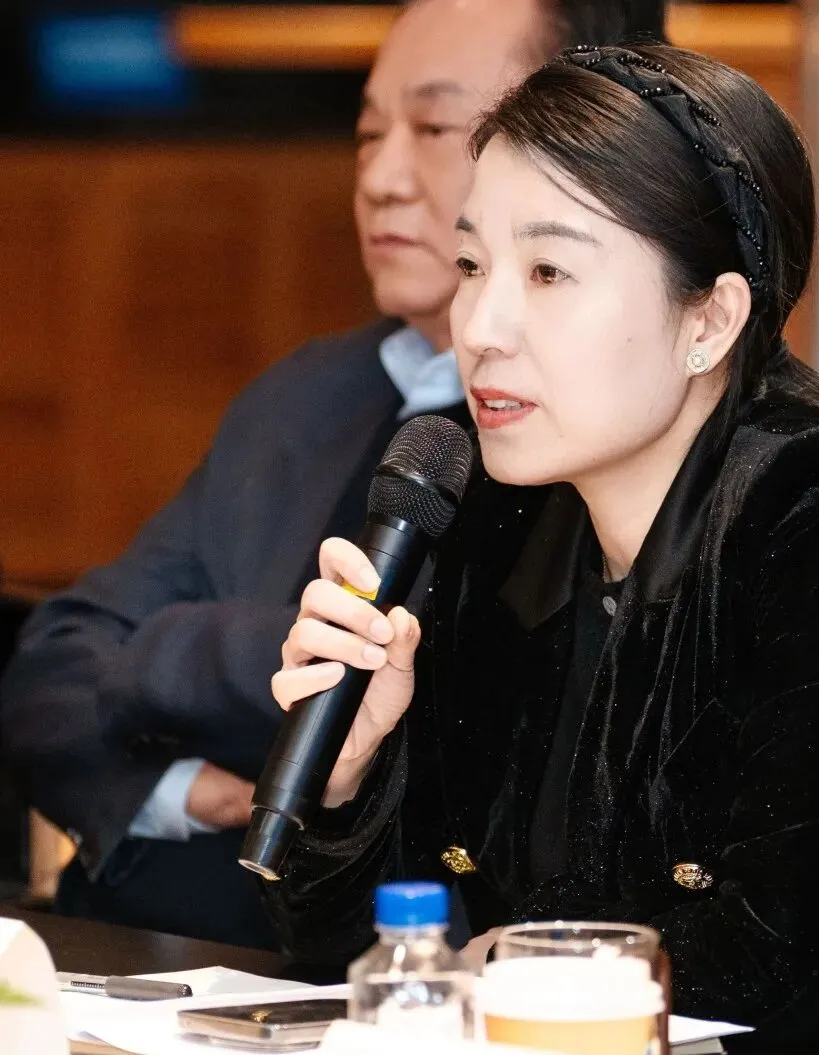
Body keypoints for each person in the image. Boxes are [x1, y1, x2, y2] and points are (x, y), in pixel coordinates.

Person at [264, 44, 819, 1052]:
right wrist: (349, 775)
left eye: (548, 271)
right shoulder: (499, 517)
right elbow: (354, 961)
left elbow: (781, 965)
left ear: (709, 319)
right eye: (470, 266)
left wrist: (508, 966)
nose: (480, 325)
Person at [0, 0, 669, 949]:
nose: (381, 178)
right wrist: (191, 788)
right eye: (364, 133)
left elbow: (433, 712)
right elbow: (51, 670)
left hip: (366, 975)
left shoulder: (575, 438)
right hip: (126, 961)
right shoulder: (308, 391)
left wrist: (172, 651)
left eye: (434, 128)